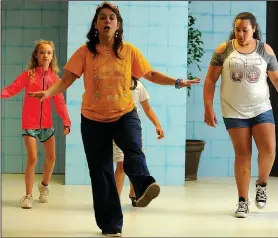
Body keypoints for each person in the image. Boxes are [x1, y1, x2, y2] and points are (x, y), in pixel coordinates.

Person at [28, 2, 200, 236]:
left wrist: (178, 82)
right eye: (102, 18)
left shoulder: (128, 50)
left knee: (133, 148)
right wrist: (48, 93)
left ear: (118, 25)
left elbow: (149, 74)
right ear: (96, 25)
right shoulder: (85, 52)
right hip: (93, 119)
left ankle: (143, 185)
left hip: (124, 114)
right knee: (101, 173)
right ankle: (111, 226)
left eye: (111, 18)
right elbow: (67, 79)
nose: (107, 21)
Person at [203, 12, 278, 218]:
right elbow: (210, 80)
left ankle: (262, 184)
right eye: (238, 29)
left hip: (261, 108)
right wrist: (208, 107)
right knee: (243, 154)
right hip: (234, 110)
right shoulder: (224, 49)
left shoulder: (265, 50)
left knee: (269, 149)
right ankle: (243, 201)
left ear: (254, 29)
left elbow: (277, 79)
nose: (241, 34)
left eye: (245, 30)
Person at [1, 39, 71, 209]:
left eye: (49, 52)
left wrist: (66, 120)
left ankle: (44, 186)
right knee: (32, 158)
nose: (45, 55)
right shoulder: (29, 75)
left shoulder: (55, 79)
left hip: (47, 125)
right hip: (30, 124)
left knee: (51, 158)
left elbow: (60, 102)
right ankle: (27, 196)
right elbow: (12, 88)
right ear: (36, 55)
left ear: (52, 56)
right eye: (42, 52)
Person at [113, 76, 164, 207]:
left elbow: (147, 109)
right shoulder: (113, 83)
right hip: (117, 129)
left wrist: (157, 125)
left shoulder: (138, 86)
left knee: (135, 161)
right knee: (121, 165)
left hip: (134, 131)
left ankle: (135, 194)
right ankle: (114, 200)